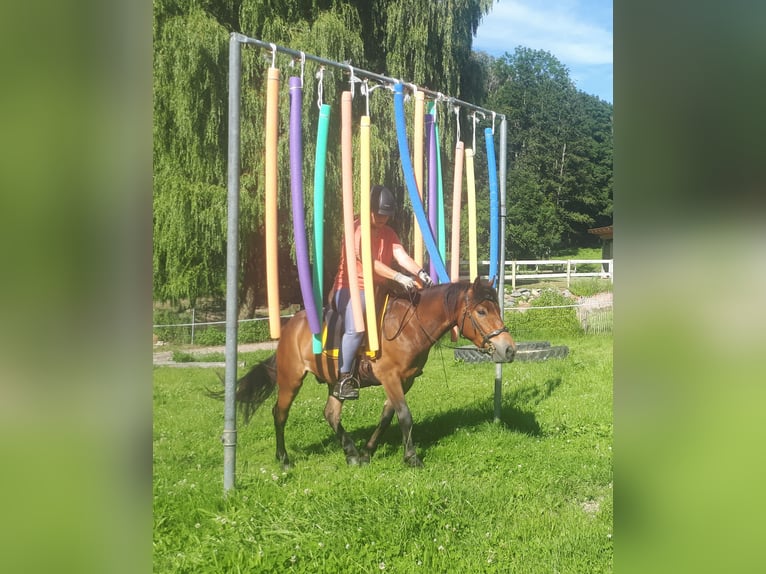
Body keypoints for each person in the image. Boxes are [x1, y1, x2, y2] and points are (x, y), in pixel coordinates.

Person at [330, 184, 434, 400]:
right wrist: (398, 276)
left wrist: (420, 272)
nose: (382, 219)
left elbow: (401, 256)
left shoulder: (389, 233)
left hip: (377, 287)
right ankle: (344, 378)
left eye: (386, 215)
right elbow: (370, 263)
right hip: (350, 288)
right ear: (368, 210)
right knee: (357, 327)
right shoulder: (357, 231)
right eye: (378, 214)